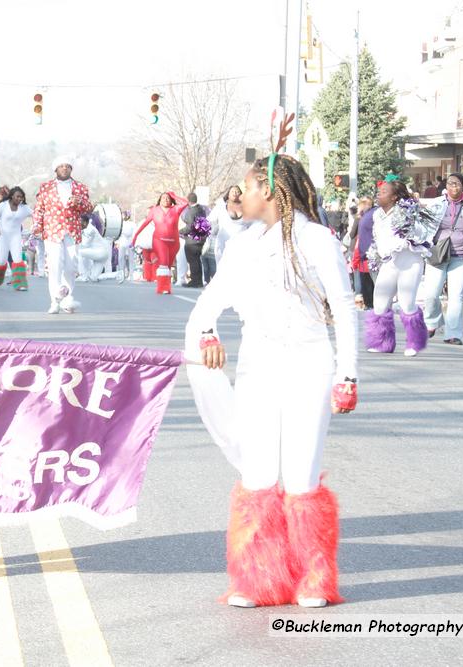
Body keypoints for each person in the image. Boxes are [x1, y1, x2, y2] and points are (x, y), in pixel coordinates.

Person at [186, 150, 358, 610]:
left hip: (310, 364)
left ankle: (314, 578)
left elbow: (343, 307)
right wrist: (206, 336)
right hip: (258, 367)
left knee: (301, 476)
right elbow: (209, 303)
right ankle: (257, 578)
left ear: (269, 189)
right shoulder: (245, 244)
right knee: (258, 473)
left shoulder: (318, 239)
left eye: (247, 185)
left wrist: (348, 373)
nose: (240, 194)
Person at [364, 178, 433, 357]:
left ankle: (414, 343)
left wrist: (404, 240)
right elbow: (378, 237)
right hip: (389, 262)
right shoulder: (377, 214)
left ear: (395, 197)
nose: (379, 194)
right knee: (379, 301)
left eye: (384, 192)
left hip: (409, 261)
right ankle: (382, 343)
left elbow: (421, 233)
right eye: (379, 191)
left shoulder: (407, 211)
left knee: (407, 303)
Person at [32, 156, 93, 314]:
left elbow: (89, 208)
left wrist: (79, 202)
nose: (64, 168)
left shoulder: (80, 187)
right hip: (52, 231)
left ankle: (68, 299)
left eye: (67, 166)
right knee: (54, 265)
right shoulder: (46, 187)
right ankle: (55, 300)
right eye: (61, 166)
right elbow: (39, 208)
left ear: (71, 169)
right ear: (56, 169)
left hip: (72, 231)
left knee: (70, 266)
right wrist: (37, 225)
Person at [423, 172, 463, 344]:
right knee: (431, 294)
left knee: (456, 296)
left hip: (462, 254)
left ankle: (453, 334)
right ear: (446, 186)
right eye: (451, 183)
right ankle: (432, 322)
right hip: (438, 253)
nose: (454, 187)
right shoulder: (437, 203)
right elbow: (424, 224)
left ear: (462, 186)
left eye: (457, 184)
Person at [131, 192, 189, 295]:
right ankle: (162, 288)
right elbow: (145, 223)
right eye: (163, 198)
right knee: (163, 264)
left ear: (171, 200)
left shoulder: (175, 209)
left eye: (168, 198)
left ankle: (167, 287)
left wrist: (174, 196)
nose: (166, 200)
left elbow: (185, 203)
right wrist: (135, 236)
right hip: (159, 240)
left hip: (174, 242)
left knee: (168, 265)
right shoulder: (155, 210)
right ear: (160, 200)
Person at [0, 186, 32, 291]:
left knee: (18, 259)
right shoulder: (3, 205)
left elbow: (37, 214)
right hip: (2, 237)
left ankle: (20, 284)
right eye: (18, 196)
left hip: (16, 237)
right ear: (11, 196)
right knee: (1, 260)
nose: (19, 199)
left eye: (21, 197)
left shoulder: (24, 208)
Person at [179, 193, 209, 288]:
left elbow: (190, 227)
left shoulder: (191, 211)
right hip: (200, 238)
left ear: (188, 201)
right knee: (197, 261)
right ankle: (198, 280)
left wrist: (180, 231)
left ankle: (195, 281)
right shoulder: (201, 210)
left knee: (192, 261)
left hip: (192, 240)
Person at [213, 185, 247, 263]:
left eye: (237, 191)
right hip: (223, 245)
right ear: (228, 195)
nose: (235, 193)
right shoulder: (220, 207)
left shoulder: (247, 209)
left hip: (241, 246)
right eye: (232, 191)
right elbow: (210, 220)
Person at [77, 213, 112, 282]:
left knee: (79, 253)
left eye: (79, 222)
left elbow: (85, 245)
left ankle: (83, 275)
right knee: (93, 278)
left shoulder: (90, 229)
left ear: (84, 222)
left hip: (100, 253)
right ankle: (117, 275)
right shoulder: (88, 229)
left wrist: (77, 241)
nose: (78, 224)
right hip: (102, 255)